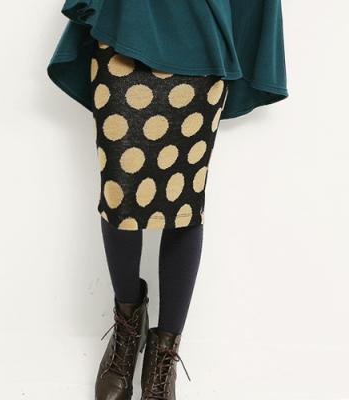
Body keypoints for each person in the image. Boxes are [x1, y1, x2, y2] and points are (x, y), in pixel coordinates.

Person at [47, 1, 288, 399]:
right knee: (119, 197)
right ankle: (128, 328)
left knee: (184, 204)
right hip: (124, 31)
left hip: (201, 44)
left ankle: (164, 355)